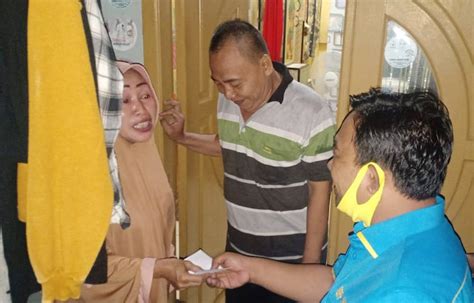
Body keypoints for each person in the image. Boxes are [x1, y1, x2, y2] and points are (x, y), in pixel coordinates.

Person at [206, 89, 473, 302]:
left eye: (337, 155)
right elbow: (338, 283)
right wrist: (250, 270)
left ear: (371, 180)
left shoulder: (403, 293)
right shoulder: (409, 230)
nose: (329, 165)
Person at [159, 19, 335, 302]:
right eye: (218, 84)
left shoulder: (312, 111)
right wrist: (182, 137)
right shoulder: (229, 100)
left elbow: (320, 190)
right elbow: (227, 146)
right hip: (239, 253)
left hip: (289, 259)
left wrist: (309, 269)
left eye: (234, 83)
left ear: (265, 65)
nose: (227, 93)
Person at [73, 61, 204, 302]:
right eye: (124, 100)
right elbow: (80, 270)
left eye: (145, 95)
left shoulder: (146, 154)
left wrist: (169, 267)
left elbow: (157, 233)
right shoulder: (87, 174)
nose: (140, 108)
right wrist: (160, 269)